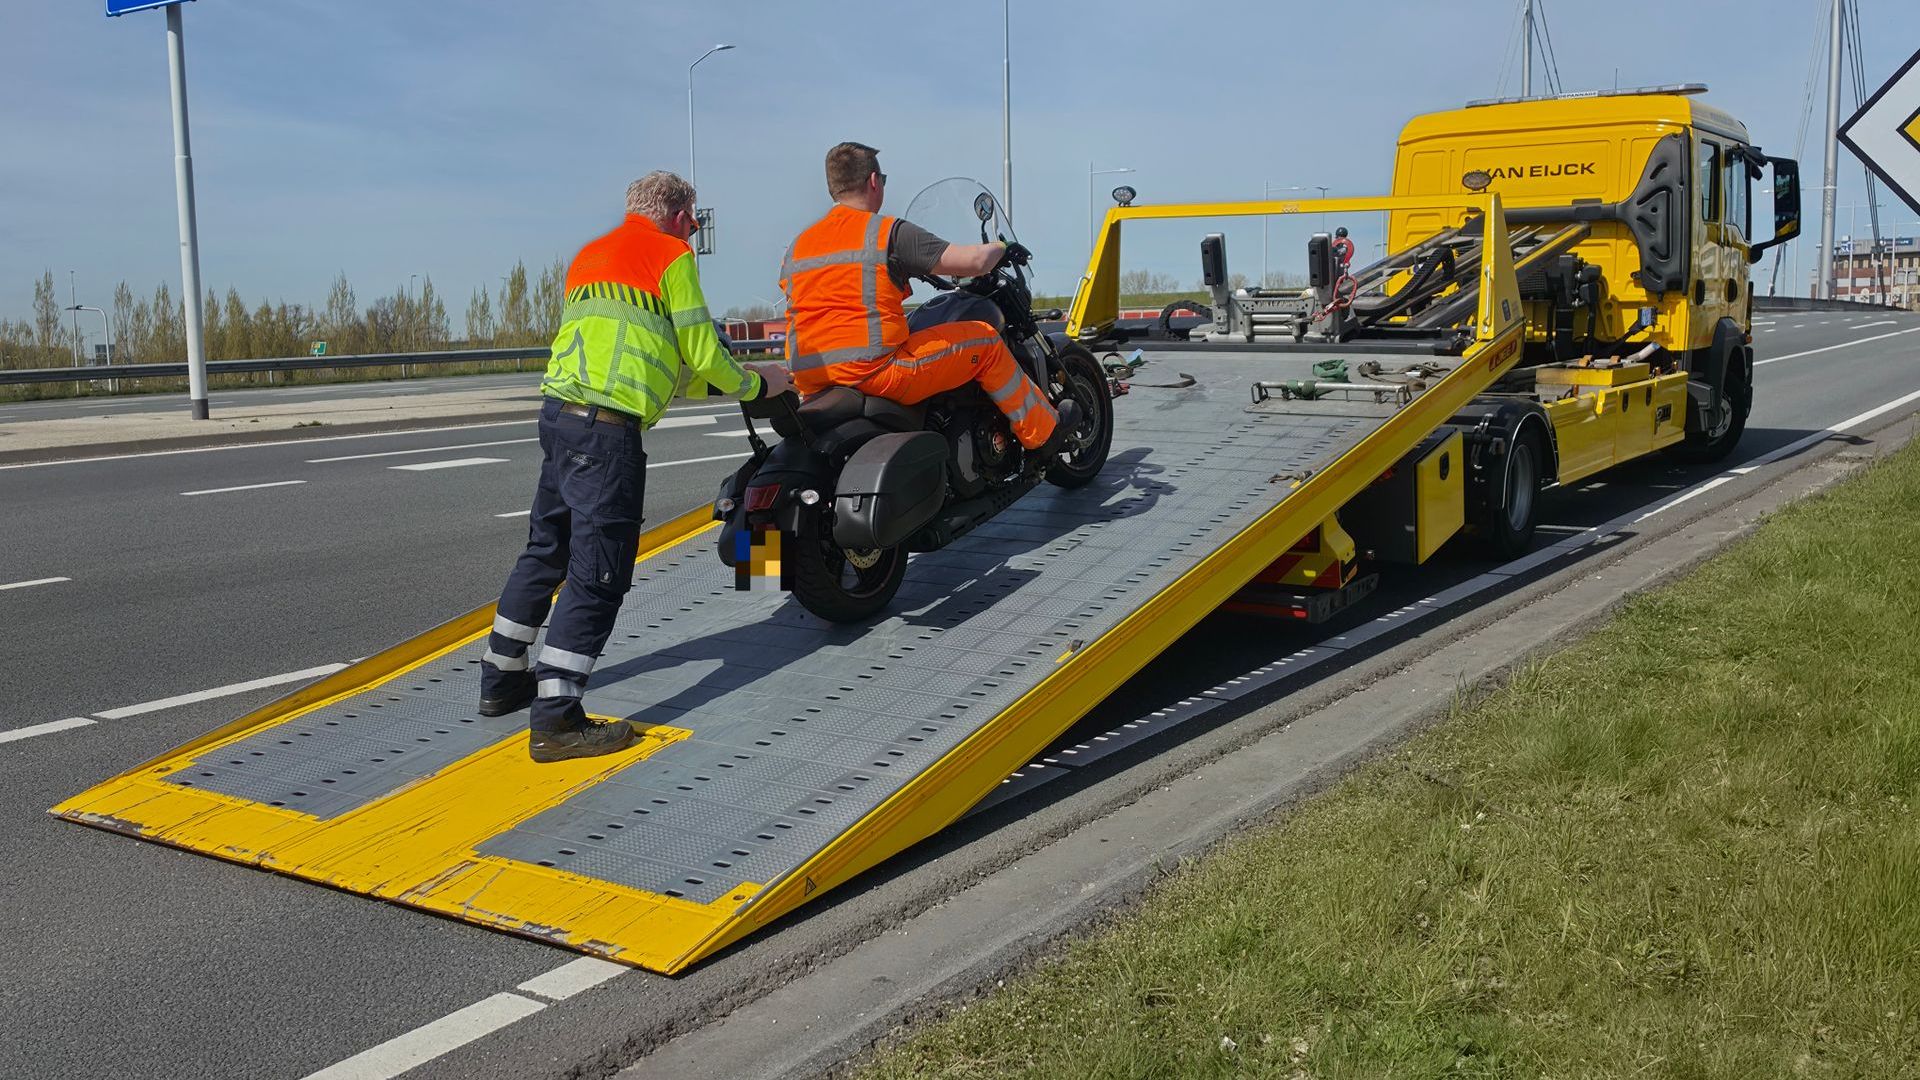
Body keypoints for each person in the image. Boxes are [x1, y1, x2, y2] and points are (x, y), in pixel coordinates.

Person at [479, 171, 792, 762]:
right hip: (607, 435)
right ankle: (557, 721)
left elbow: (651, 353)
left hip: (560, 416)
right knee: (599, 574)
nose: (696, 229)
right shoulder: (671, 257)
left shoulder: (591, 256)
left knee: (546, 550)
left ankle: (501, 682)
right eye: (693, 219)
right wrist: (757, 382)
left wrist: (711, 383)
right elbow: (701, 353)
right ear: (677, 216)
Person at [779, 141, 1080, 452]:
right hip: (875, 372)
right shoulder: (885, 233)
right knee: (986, 341)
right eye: (882, 180)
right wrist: (1003, 248)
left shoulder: (798, 246)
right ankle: (1044, 434)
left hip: (812, 379)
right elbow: (973, 262)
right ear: (873, 181)